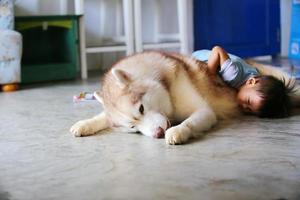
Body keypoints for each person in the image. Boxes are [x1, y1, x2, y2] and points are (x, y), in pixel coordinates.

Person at [192, 46, 292, 118]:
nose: (244, 106)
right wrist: (210, 75)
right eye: (248, 101)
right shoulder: (233, 75)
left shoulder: (254, 75)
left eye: (249, 110)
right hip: (199, 57)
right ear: (252, 82)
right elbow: (217, 50)